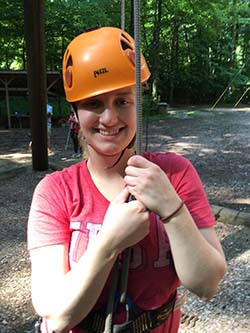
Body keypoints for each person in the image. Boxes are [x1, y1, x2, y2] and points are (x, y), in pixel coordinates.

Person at [27, 27, 227, 333]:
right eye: (94, 104)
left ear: (138, 105)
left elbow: (206, 284)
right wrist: (109, 243)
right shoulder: (56, 192)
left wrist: (172, 208)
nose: (109, 118)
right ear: (74, 114)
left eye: (123, 101)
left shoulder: (176, 174)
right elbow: (56, 317)